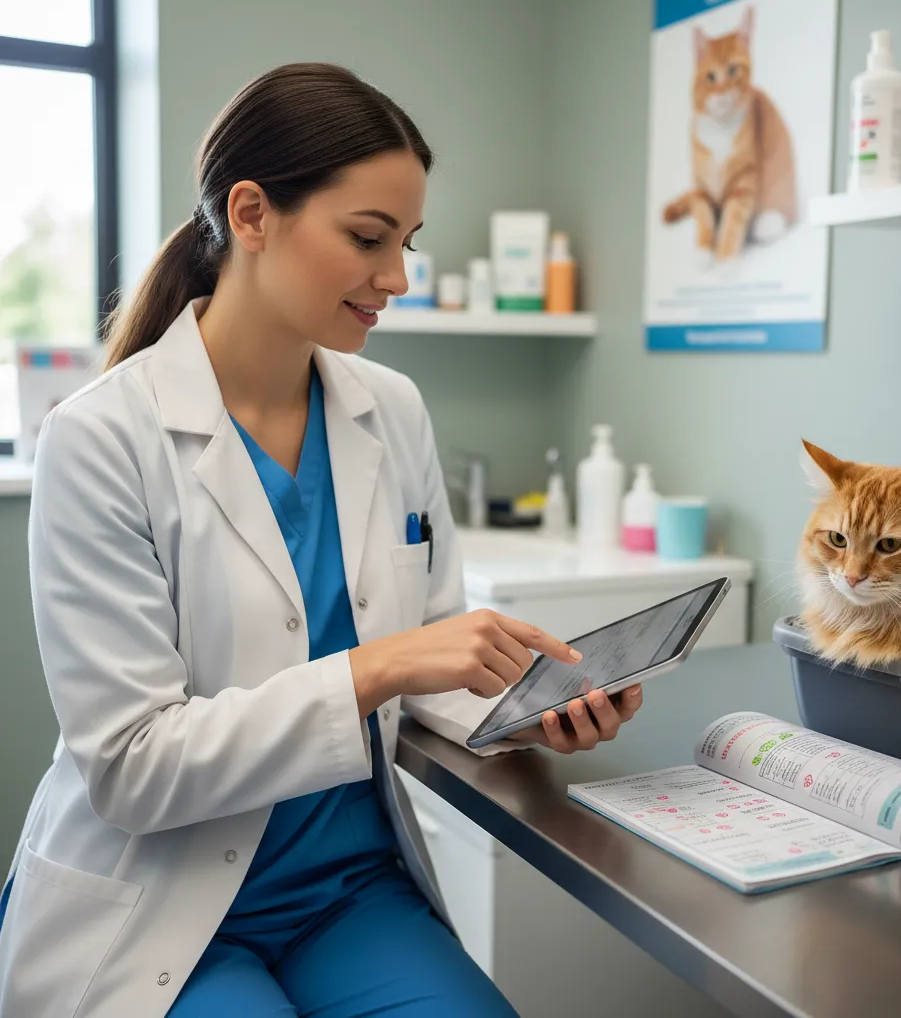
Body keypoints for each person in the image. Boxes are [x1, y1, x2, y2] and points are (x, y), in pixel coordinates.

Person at [0, 63, 644, 1018]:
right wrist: (377, 667)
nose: (397, 277)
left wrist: (525, 709)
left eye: (407, 243)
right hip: (160, 900)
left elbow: (430, 654)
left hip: (348, 892)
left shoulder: (392, 409)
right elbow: (133, 766)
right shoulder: (100, 439)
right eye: (368, 238)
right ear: (251, 214)